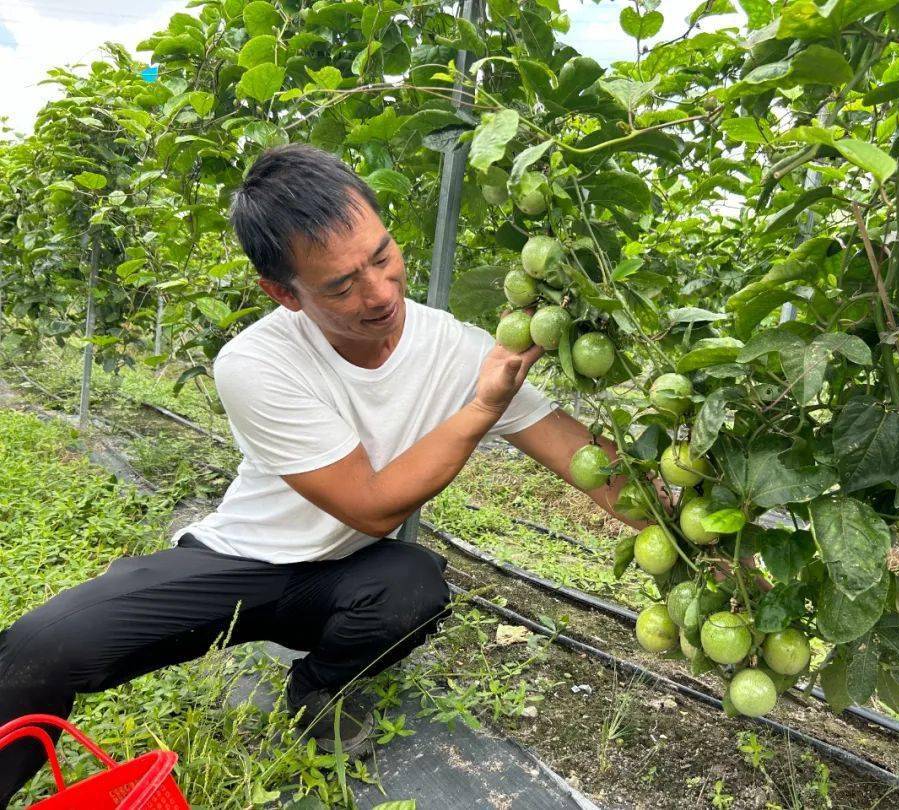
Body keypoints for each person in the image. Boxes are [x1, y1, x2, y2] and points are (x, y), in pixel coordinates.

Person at [0, 143, 651, 805]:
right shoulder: (253, 363)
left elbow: (583, 459)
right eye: (341, 285)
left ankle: (319, 688)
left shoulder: (454, 345)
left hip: (342, 576)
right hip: (239, 563)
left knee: (415, 585)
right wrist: (484, 404)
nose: (379, 293)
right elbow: (369, 505)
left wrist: (702, 544)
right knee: (40, 647)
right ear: (283, 292)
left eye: (383, 256)